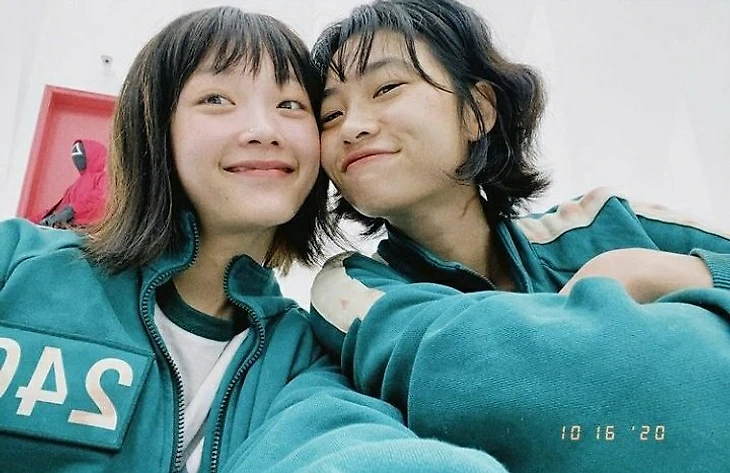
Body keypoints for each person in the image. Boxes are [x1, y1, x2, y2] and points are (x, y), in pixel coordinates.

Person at [0, 7, 511, 473]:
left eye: (291, 104)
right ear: (154, 126)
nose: (264, 130)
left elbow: (344, 446)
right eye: (216, 99)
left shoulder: (305, 356)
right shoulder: (16, 265)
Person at [308, 1, 730, 472]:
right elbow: (493, 370)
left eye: (387, 88)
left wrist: (653, 270)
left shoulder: (609, 223)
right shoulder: (351, 290)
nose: (353, 127)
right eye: (330, 114)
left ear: (478, 110)